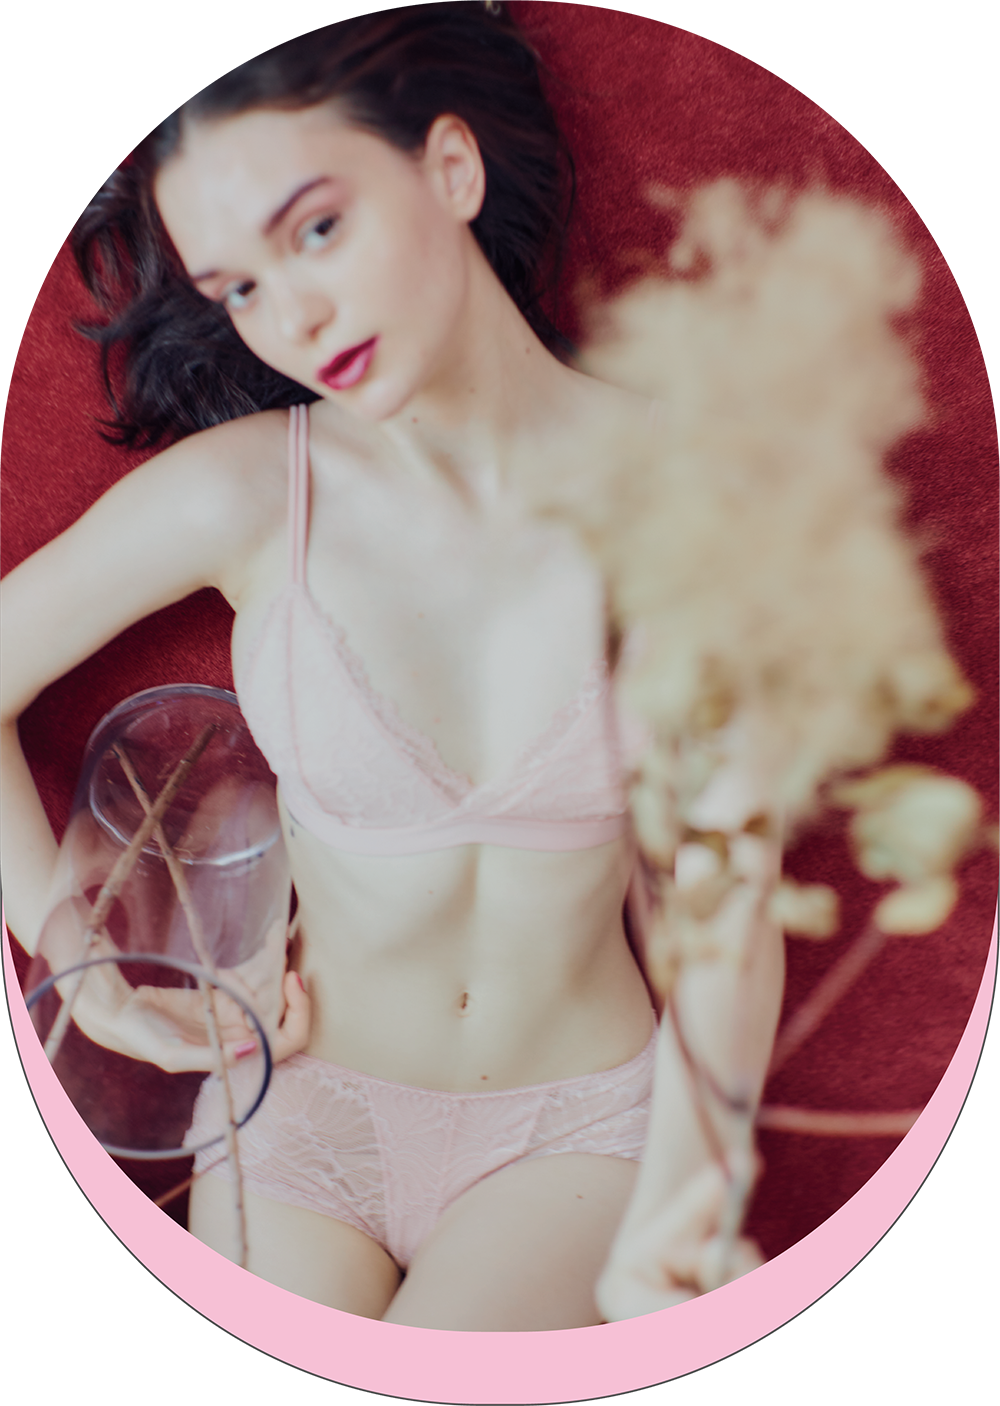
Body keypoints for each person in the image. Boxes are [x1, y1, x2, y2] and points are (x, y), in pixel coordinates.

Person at [0, 1, 781, 1329]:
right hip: (297, 1108)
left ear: (450, 167)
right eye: (240, 288)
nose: (294, 316)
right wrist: (75, 954)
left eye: (317, 229)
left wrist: (697, 1172)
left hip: (575, 1132)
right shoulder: (248, 495)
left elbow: (724, 901)